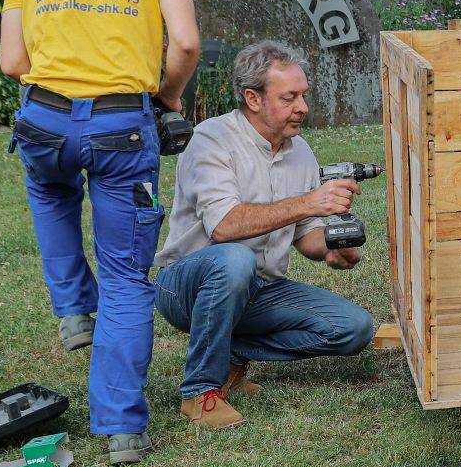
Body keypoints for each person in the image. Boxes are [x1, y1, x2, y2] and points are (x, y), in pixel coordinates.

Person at [0, 0, 200, 465]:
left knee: (49, 191)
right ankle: (121, 430)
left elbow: (12, 60)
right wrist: (168, 96)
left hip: (43, 120)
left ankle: (73, 313)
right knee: (126, 278)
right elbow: (186, 43)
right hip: (120, 128)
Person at [154, 41, 376, 432]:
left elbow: (305, 233)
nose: (302, 107)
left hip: (260, 288)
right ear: (252, 98)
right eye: (289, 98)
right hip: (186, 286)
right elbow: (224, 226)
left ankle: (230, 351)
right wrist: (308, 202)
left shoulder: (300, 150)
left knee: (354, 328)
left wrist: (331, 247)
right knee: (234, 259)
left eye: (303, 95)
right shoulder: (211, 139)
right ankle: (200, 392)